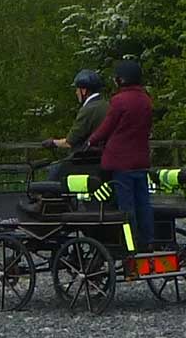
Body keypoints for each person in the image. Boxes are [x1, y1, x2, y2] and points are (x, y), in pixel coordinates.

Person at [86, 60, 154, 250]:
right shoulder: (146, 100)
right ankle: (147, 240)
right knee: (143, 202)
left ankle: (128, 241)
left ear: (121, 79)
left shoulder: (119, 101)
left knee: (126, 205)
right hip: (140, 160)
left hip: (120, 161)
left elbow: (107, 127)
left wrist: (91, 140)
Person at [41, 69, 108, 180]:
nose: (76, 93)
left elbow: (70, 142)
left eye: (77, 89)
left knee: (55, 170)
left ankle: (47, 195)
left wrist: (52, 142)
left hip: (87, 160)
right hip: (102, 157)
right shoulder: (106, 104)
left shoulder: (88, 109)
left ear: (84, 90)